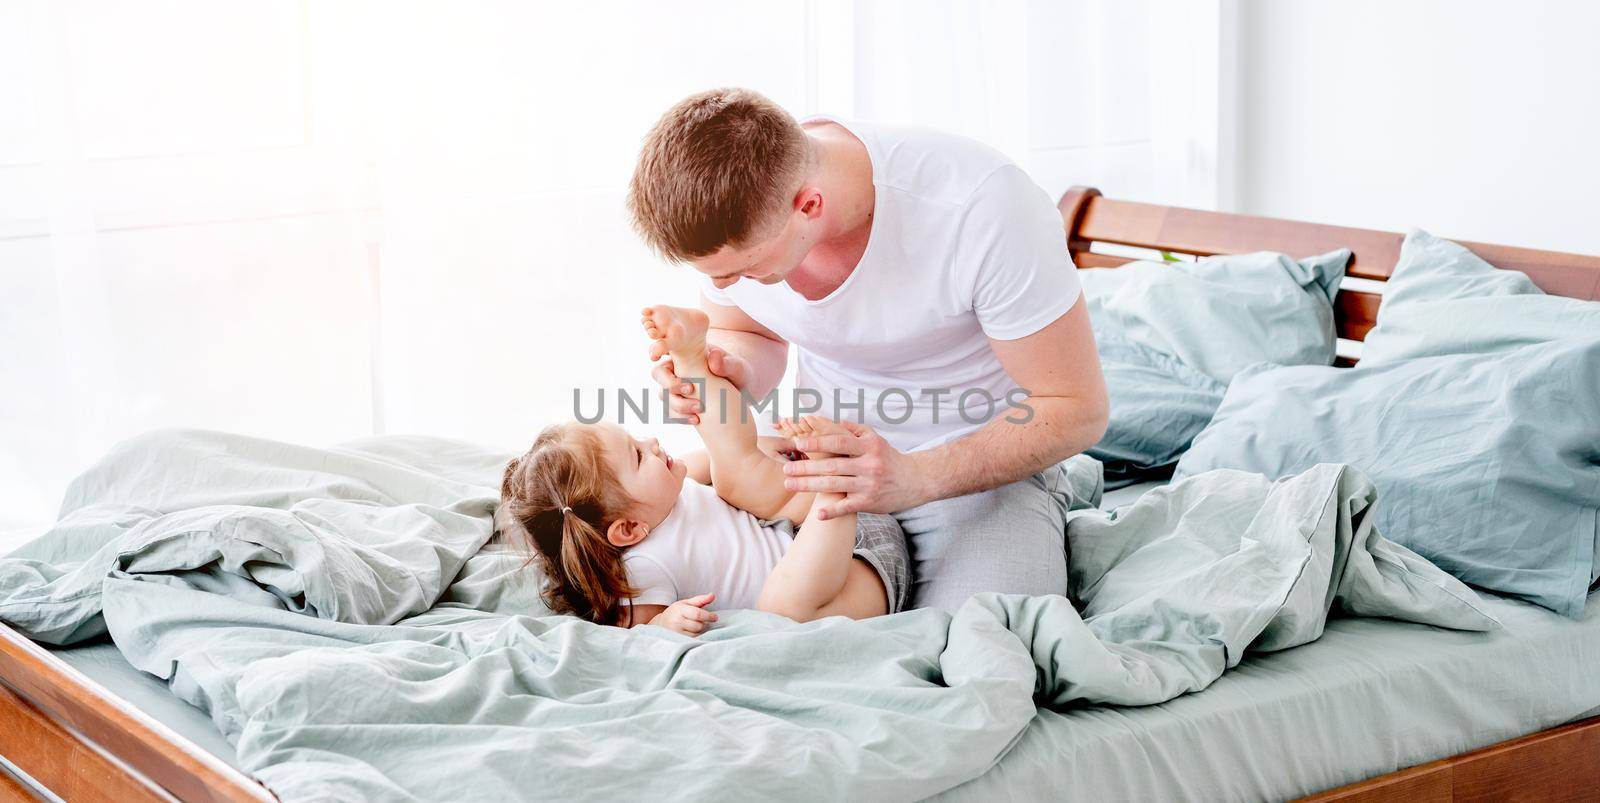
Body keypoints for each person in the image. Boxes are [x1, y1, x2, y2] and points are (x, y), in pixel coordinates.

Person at [628, 88, 1109, 611]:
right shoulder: (743, 216)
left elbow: (1077, 409)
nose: (732, 283)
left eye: (744, 269)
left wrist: (917, 476)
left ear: (809, 206)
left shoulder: (982, 209)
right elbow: (753, 334)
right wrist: (728, 370)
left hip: (971, 476)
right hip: (815, 469)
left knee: (986, 641)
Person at [497, 305, 910, 636]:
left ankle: (693, 356)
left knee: (734, 474)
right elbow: (631, 635)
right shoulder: (641, 572)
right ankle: (834, 481)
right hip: (854, 583)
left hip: (825, 527)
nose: (654, 444)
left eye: (638, 440)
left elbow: (732, 453)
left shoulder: (672, 488)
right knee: (782, 612)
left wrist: (773, 451)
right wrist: (662, 623)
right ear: (627, 530)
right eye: (639, 456)